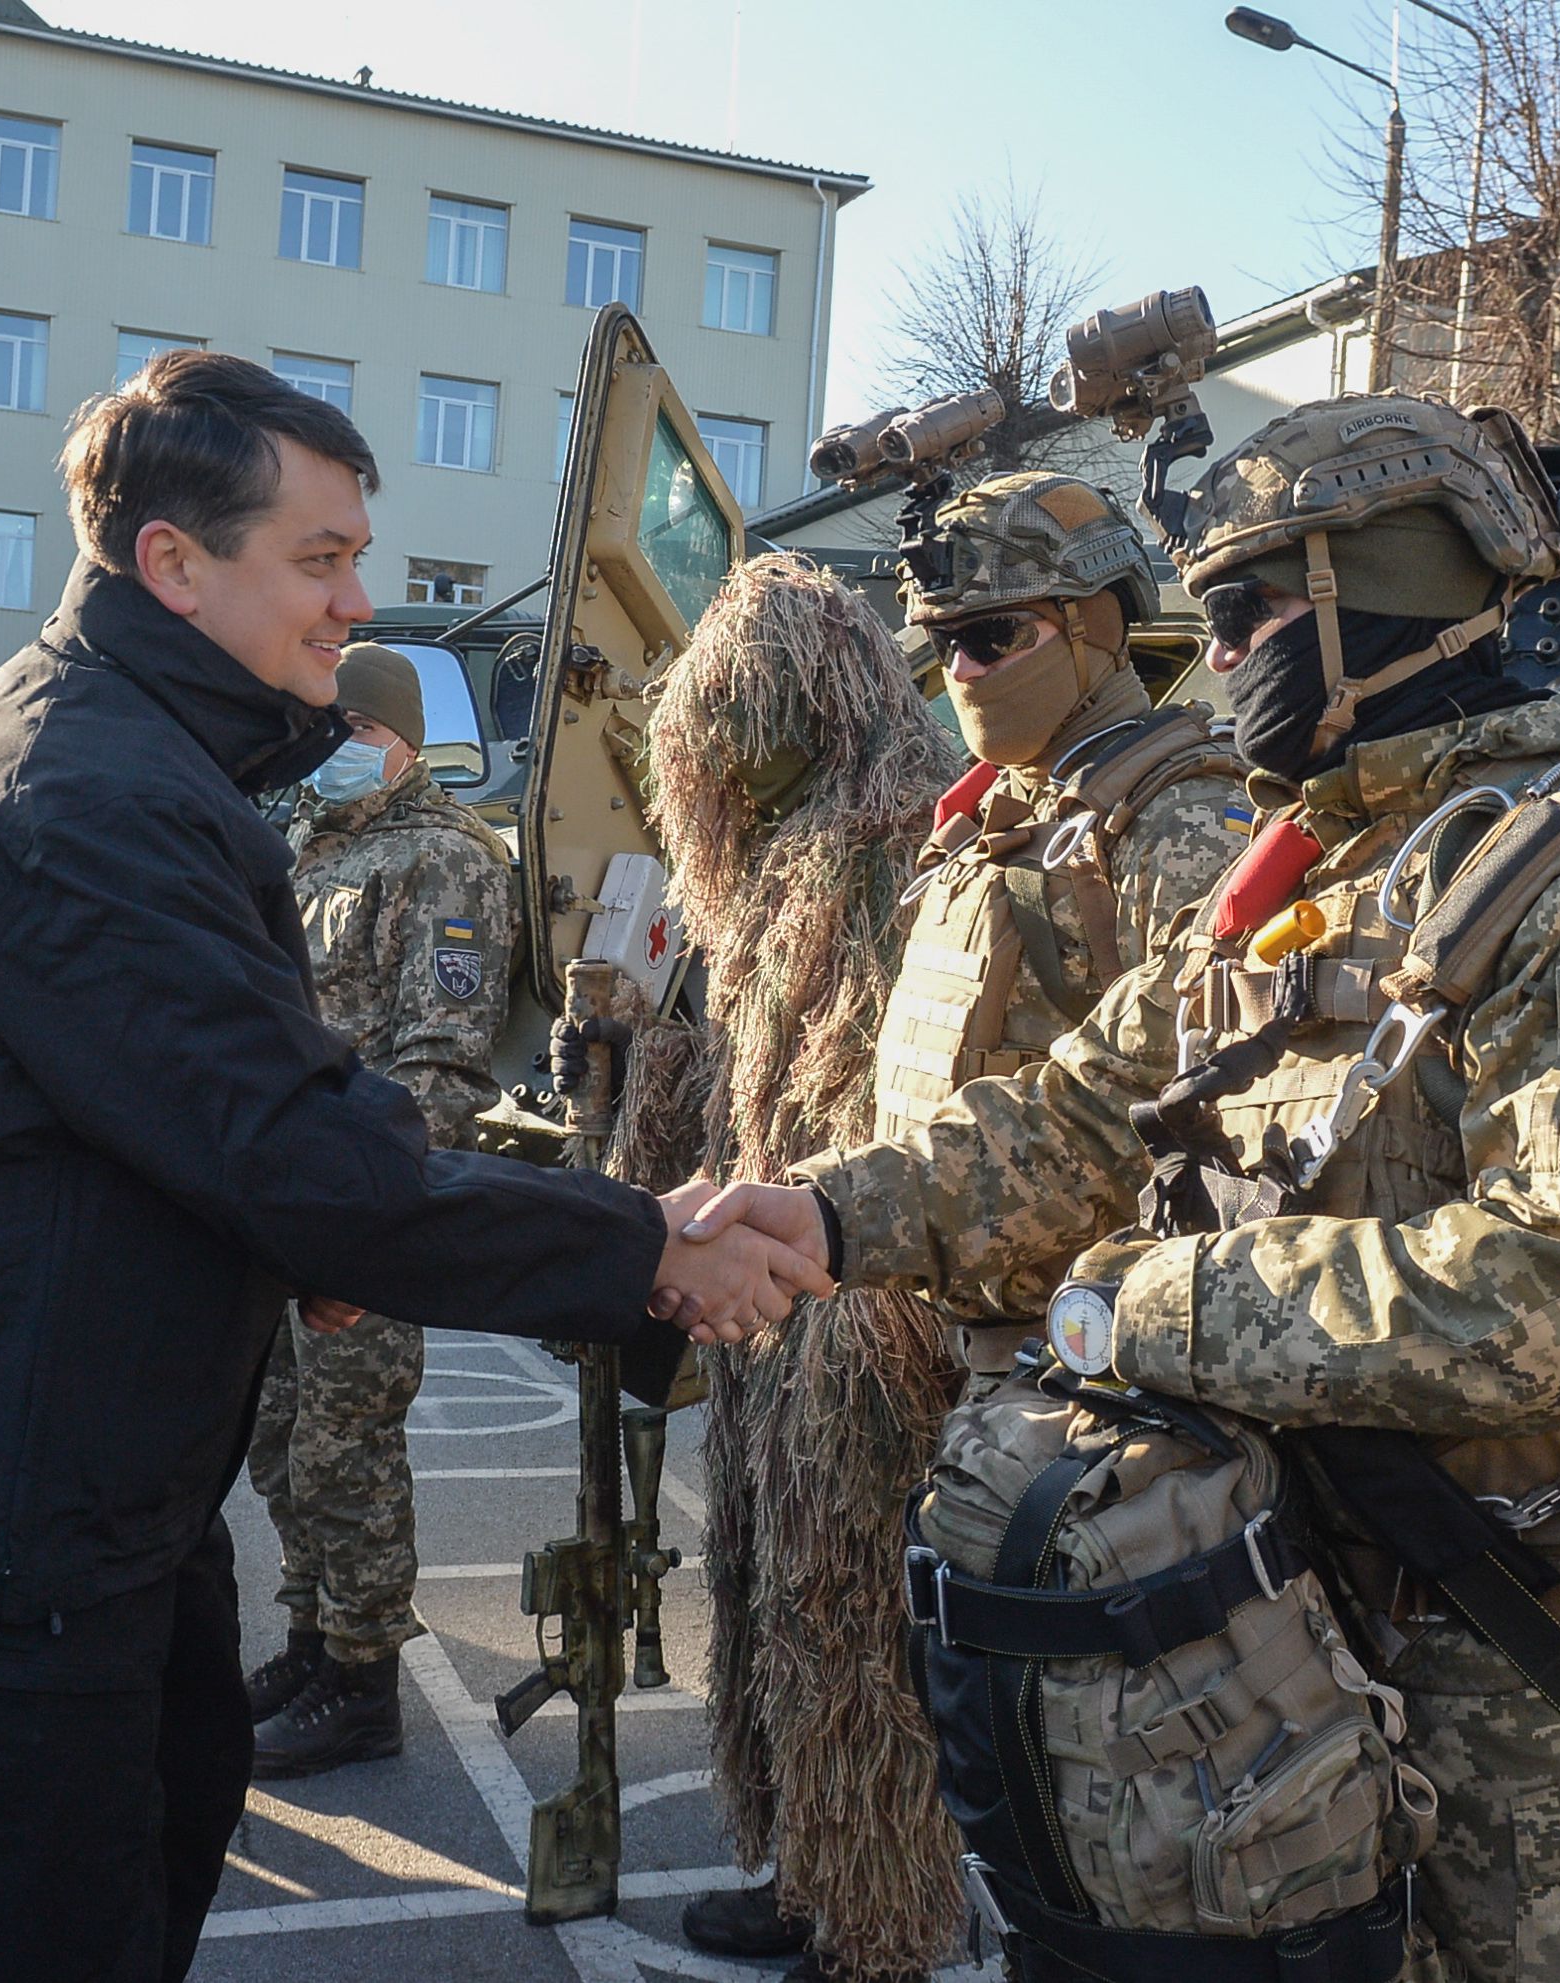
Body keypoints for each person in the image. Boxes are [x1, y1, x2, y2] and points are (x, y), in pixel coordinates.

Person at [680, 392, 1560, 1983]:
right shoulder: (1304, 868)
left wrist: (1154, 1304)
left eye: (1251, 607)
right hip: (1260, 1616)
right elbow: (1076, 1114)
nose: (1217, 652)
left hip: (1519, 1666)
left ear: (1374, 588)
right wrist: (833, 1213)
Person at [0, 350, 822, 1983]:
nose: (358, 599)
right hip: (8, 1524)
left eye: (357, 552)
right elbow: (284, 1144)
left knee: (167, 1830)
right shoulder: (83, 792)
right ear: (173, 562)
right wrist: (644, 1247)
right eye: (320, 557)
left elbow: (201, 1118)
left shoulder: (131, 754)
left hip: (85, 1482)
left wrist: (326, 1235)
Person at [632, 494, 1250, 1983]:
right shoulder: (982, 817)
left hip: (1035, 1325)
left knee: (879, 1623)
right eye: (938, 645)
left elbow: (1165, 1097)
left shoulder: (1170, 812)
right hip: (869, 1267)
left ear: (1099, 627)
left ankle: (879, 1920)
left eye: (992, 635)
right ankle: (816, 1872)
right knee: (786, 1591)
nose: (960, 670)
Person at [243, 642, 514, 1777]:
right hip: (279, 1203)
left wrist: (372, 1231)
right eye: (321, 730)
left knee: (348, 1450)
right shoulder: (304, 845)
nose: (333, 751)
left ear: (399, 738)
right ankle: (312, 1637)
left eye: (352, 730)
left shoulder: (446, 859)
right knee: (278, 1447)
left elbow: (441, 1065)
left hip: (356, 1215)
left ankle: (362, 1685)